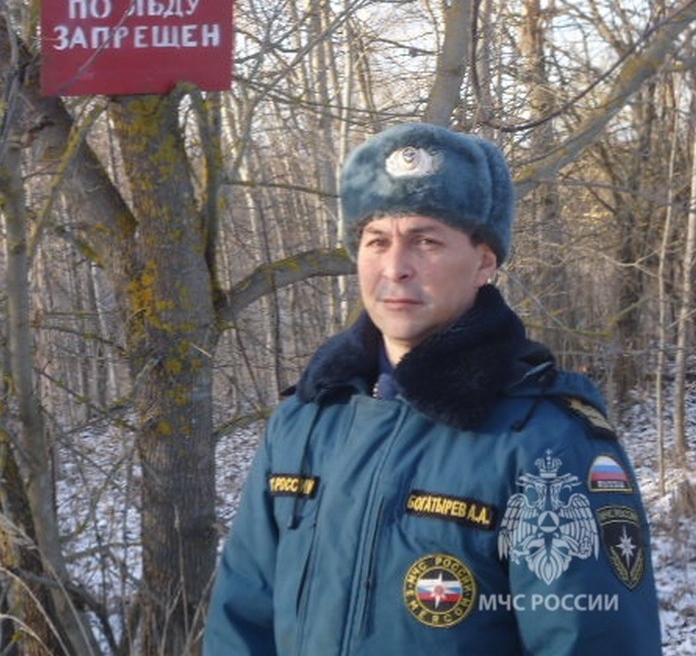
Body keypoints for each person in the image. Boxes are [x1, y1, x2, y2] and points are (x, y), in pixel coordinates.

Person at [203, 123, 662, 654]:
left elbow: (593, 642)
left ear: (484, 261)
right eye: (377, 241)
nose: (395, 268)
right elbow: (242, 622)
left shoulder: (545, 441)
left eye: (426, 241)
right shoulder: (305, 422)